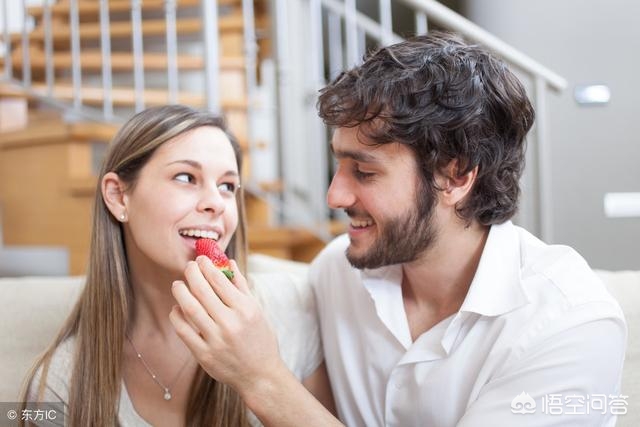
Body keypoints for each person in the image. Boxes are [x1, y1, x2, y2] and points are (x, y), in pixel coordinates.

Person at [171, 32, 627, 426]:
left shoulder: (568, 322)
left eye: (364, 172)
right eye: (338, 165)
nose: (335, 196)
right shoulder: (336, 272)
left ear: (456, 176)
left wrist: (261, 378)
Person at [21, 104, 334, 426]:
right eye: (186, 177)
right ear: (118, 196)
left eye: (227, 186)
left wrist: (262, 375)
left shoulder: (291, 310)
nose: (216, 202)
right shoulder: (58, 384)